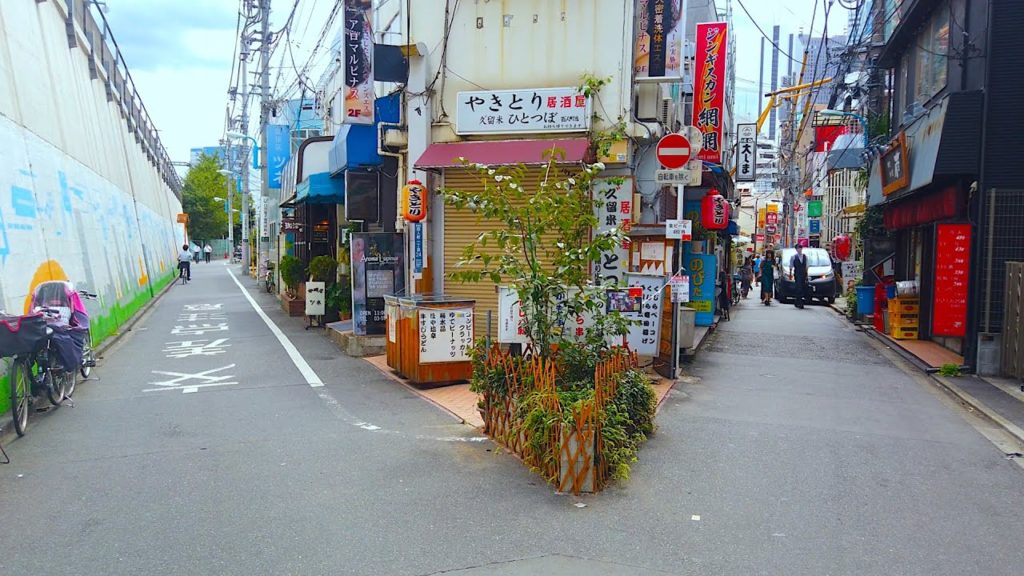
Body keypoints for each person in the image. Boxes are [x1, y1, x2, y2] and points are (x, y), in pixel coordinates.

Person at [790, 244, 809, 309]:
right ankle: (800, 302)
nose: (799, 250)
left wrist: (807, 274)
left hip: (803, 274)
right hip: (797, 273)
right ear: (796, 249)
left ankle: (797, 301)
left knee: (802, 287)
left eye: (800, 248)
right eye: (798, 248)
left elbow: (806, 266)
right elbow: (791, 266)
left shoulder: (805, 256)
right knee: (799, 287)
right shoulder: (793, 257)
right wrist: (790, 274)